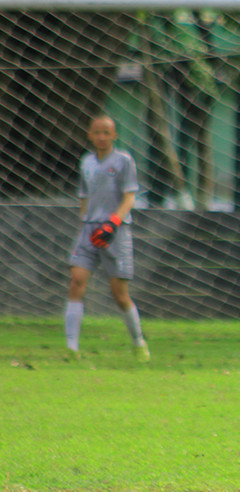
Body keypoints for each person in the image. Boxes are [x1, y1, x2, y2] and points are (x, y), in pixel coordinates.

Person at [65, 114, 149, 361]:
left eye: (106, 132)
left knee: (119, 294)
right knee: (76, 282)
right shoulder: (86, 162)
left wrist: (113, 223)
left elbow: (130, 197)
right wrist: (85, 220)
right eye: (97, 132)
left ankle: (138, 342)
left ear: (114, 136)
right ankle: (72, 348)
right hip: (89, 229)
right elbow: (84, 196)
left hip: (115, 230)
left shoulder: (124, 161)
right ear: (90, 135)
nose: (101, 137)